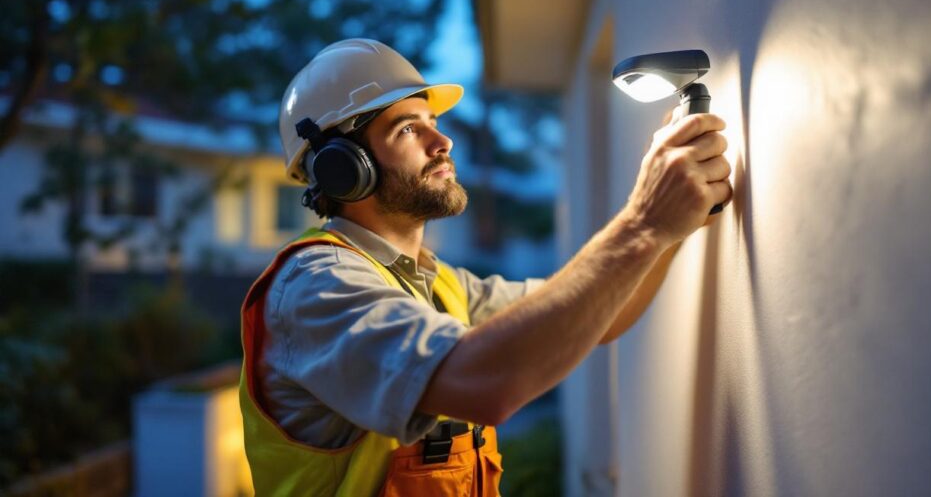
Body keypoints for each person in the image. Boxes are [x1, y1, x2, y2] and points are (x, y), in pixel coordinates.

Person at [239, 38, 732, 496]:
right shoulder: (316, 288)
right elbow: (483, 382)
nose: (443, 141)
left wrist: (672, 227)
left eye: (433, 120)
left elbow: (602, 315)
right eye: (408, 128)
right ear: (343, 168)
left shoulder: (440, 285)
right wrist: (644, 221)